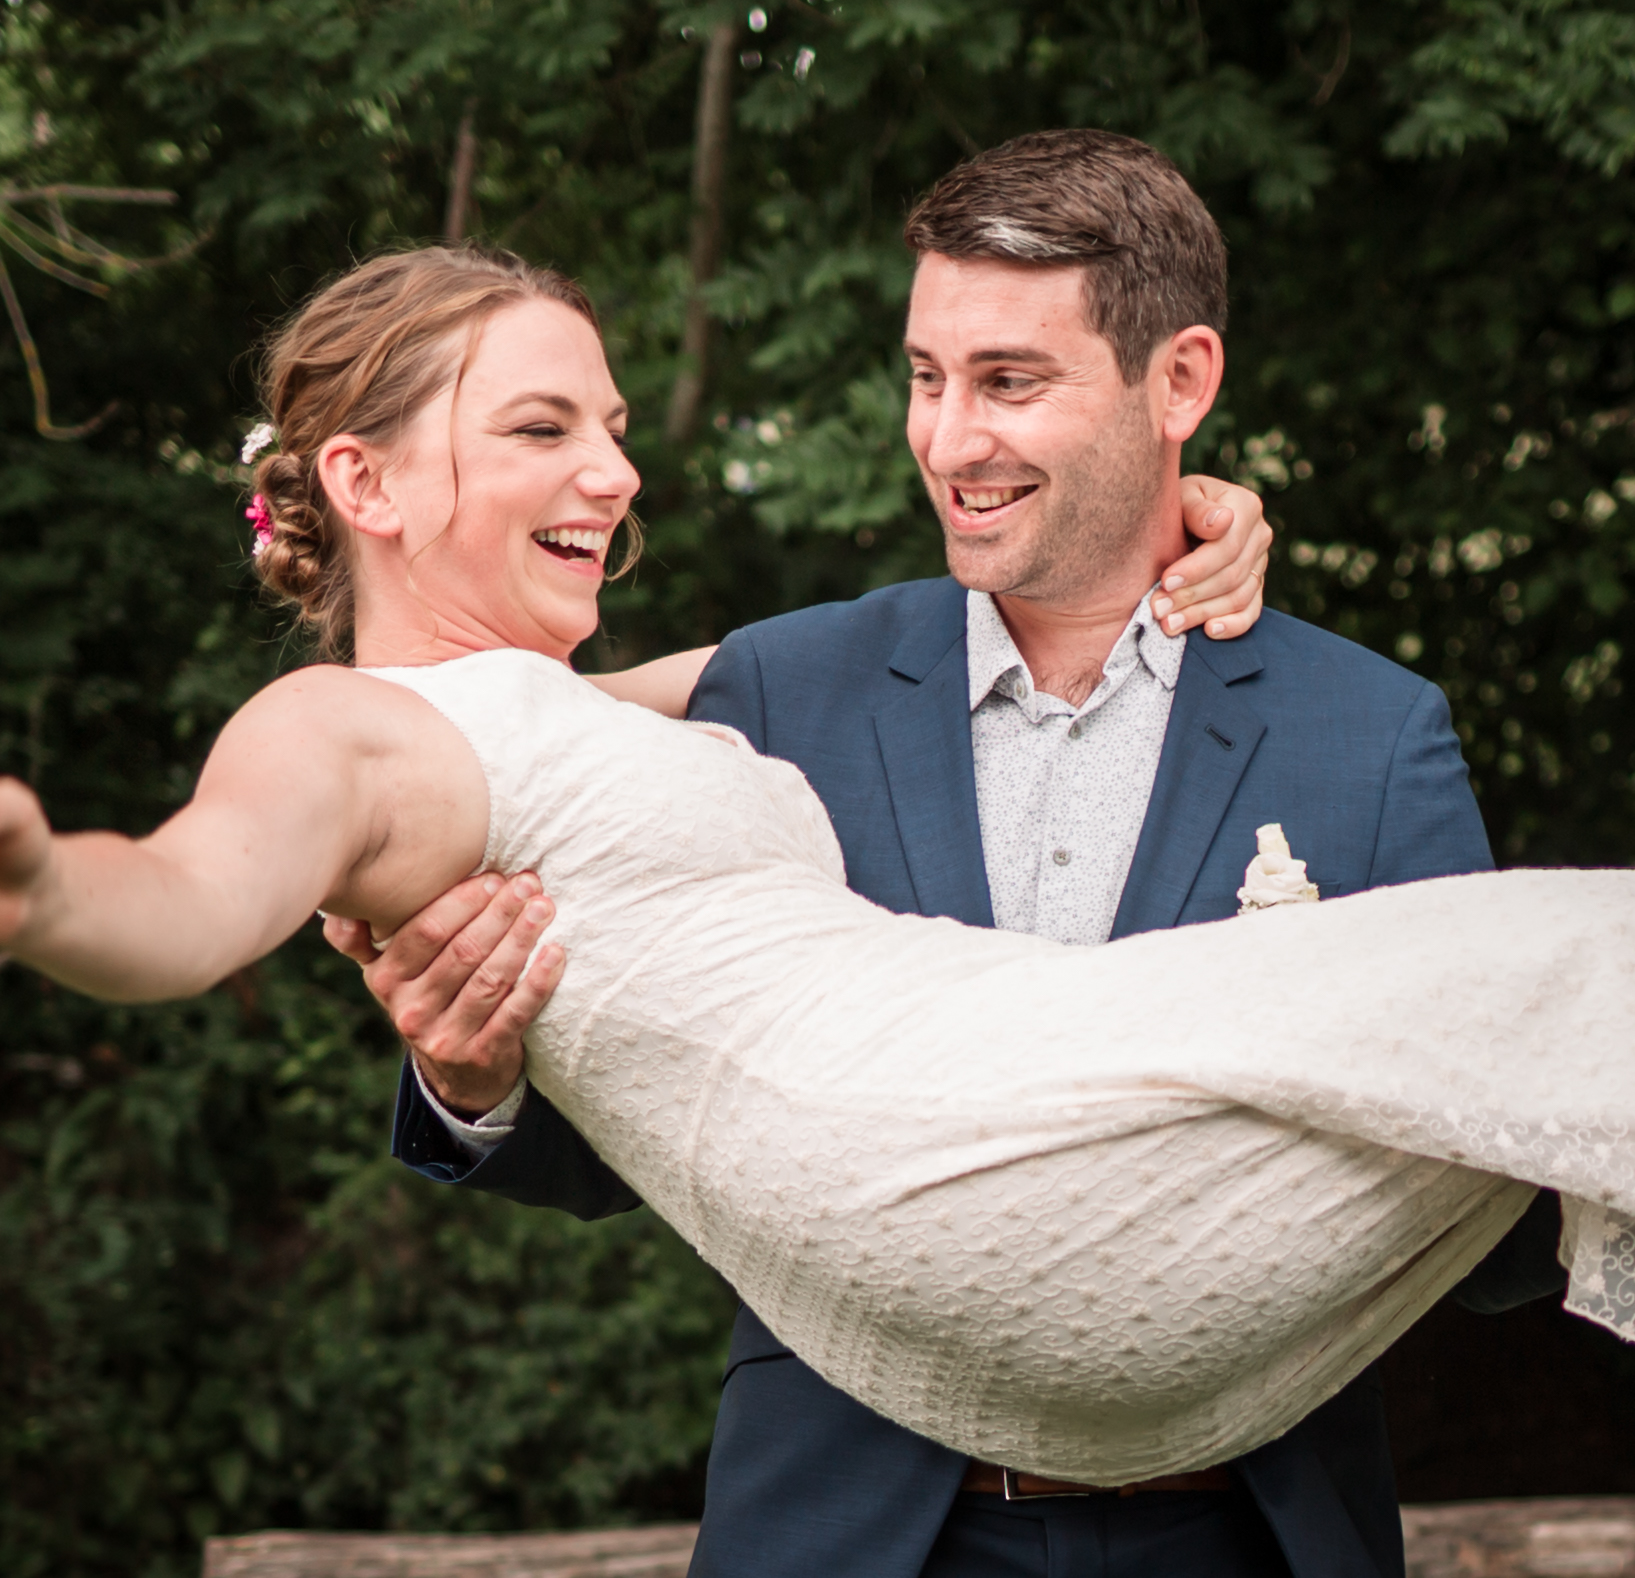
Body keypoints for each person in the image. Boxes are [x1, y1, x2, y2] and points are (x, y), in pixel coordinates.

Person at [1, 225, 1627, 1571]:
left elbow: (523, 737)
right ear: (364, 482)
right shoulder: (351, 735)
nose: (615, 471)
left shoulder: (667, 697)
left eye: (610, 425)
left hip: (1238, 1518)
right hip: (871, 1498)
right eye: (545, 429)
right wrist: (48, 890)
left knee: (1555, 987)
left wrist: (1182, 502)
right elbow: (194, 891)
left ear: (1175, 382)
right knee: (1581, 974)